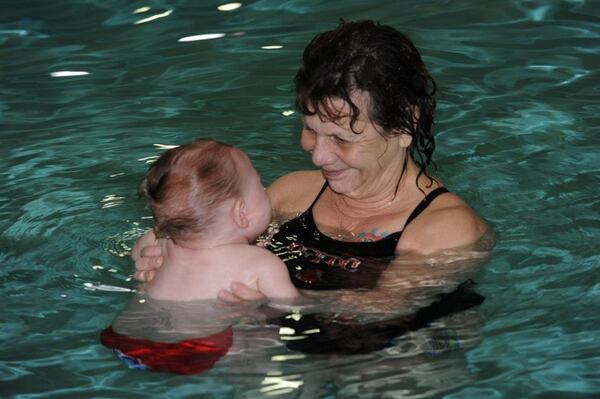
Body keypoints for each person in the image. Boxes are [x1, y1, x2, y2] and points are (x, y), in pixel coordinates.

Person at [131, 20, 492, 351]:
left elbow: (386, 306)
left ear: (403, 126)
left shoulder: (445, 228)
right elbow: (207, 230)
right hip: (284, 350)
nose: (318, 156)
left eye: (341, 139)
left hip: (391, 353)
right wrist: (158, 247)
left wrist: (275, 301)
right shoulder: (293, 194)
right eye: (310, 130)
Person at [101, 138, 300, 373]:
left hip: (126, 336)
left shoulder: (163, 241)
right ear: (241, 212)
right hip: (199, 348)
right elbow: (292, 306)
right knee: (265, 335)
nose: (265, 190)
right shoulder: (260, 263)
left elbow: (137, 252)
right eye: (259, 185)